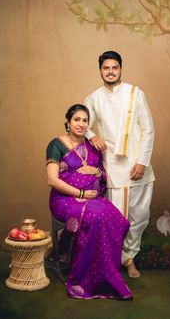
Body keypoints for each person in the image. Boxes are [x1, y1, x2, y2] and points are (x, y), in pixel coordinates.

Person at [46, 104, 132, 300]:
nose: (81, 124)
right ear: (68, 122)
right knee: (97, 217)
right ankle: (84, 279)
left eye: (85, 121)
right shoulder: (56, 145)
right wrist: (81, 192)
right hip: (65, 199)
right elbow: (52, 180)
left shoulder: (91, 145)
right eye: (77, 120)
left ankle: (106, 274)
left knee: (116, 219)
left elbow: (101, 175)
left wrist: (97, 172)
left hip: (91, 198)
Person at [84, 51, 155, 278]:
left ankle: (130, 256)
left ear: (121, 69)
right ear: (100, 70)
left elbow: (148, 129)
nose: (111, 71)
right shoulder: (93, 98)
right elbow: (80, 121)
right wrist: (91, 134)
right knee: (117, 217)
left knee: (139, 216)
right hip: (114, 167)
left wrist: (142, 162)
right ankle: (118, 260)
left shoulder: (136, 94)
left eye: (115, 67)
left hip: (139, 165)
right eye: (106, 68)